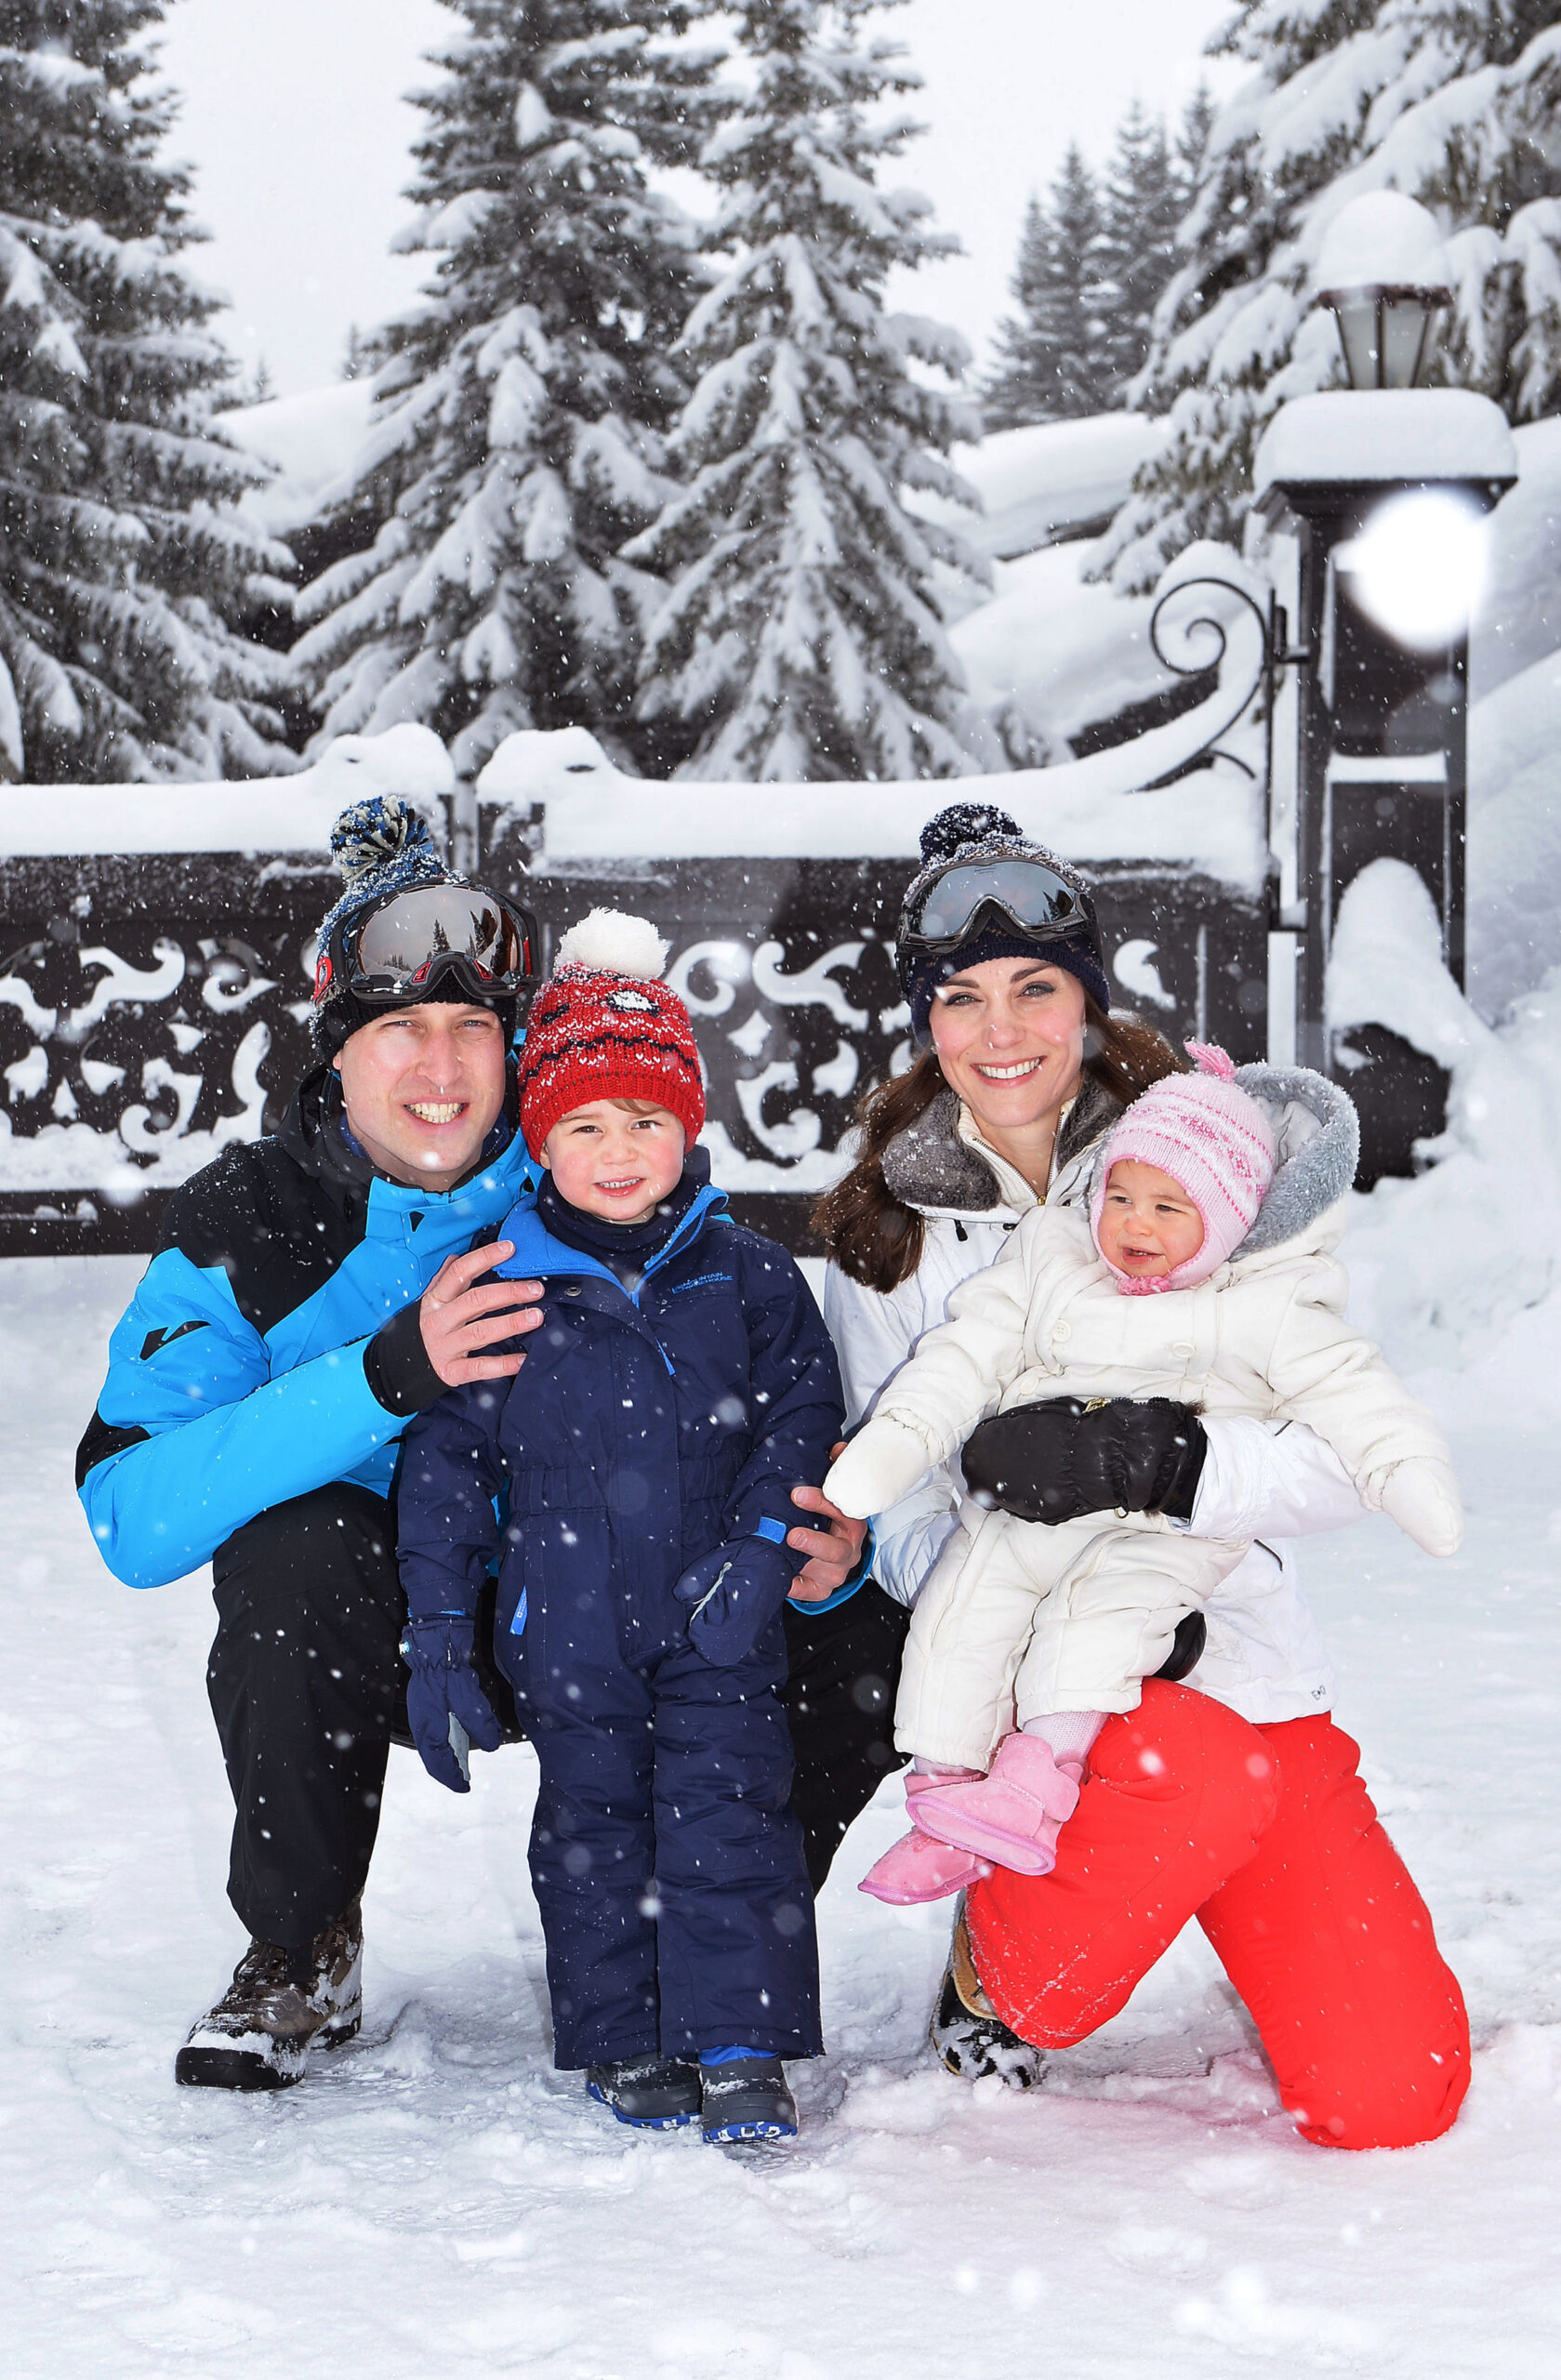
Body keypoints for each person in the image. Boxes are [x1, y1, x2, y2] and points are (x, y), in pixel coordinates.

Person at [73, 796, 865, 2094]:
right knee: (291, 1553)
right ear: (335, 1049)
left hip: (642, 1599)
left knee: (850, 1603)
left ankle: (710, 1917)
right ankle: (301, 1942)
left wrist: (829, 1535)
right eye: (396, 1030)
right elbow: (131, 1519)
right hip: (417, 1622)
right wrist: (386, 1375)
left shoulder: (598, 1168)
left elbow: (770, 1387)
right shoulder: (251, 1219)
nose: (437, 1069)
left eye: (470, 1031)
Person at [813, 800, 1471, 2149]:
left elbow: (1339, 1448)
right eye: (962, 998)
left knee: (1393, 2094)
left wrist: (1169, 1465)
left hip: (1243, 1657)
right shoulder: (891, 1232)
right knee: (1183, 1774)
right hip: (1054, 1686)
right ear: (924, 1023)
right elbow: (894, 1511)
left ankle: (1180, 1874)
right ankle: (995, 1974)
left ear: (1087, 1004)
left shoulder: (1215, 1164)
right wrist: (1037, 1580)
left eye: (1034, 990)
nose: (1000, 1033)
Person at [395, 911, 843, 2144]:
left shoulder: (746, 1274)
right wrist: (442, 1630)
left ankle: (741, 2044)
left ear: (686, 1126)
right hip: (569, 1630)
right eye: (584, 1125)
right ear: (541, 1137)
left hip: (718, 1612)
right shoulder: (500, 1281)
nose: (616, 1149)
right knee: (592, 1832)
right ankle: (626, 2034)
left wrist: (761, 1546)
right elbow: (441, 1462)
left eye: (644, 1120)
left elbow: (804, 1416)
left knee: (729, 1818)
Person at [825, 1045, 1461, 1898]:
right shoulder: (1052, 1264)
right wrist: (898, 1446)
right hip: (1023, 1513)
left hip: (1161, 1543)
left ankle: (1029, 1785)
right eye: (1120, 1197)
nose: (1135, 1224)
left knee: (1090, 1631)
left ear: (1229, 1221)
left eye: (1168, 1207)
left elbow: (1356, 1403)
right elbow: (957, 1357)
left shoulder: (1264, 1302)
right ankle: (944, 1796)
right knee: (961, 1609)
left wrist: (1395, 1468)